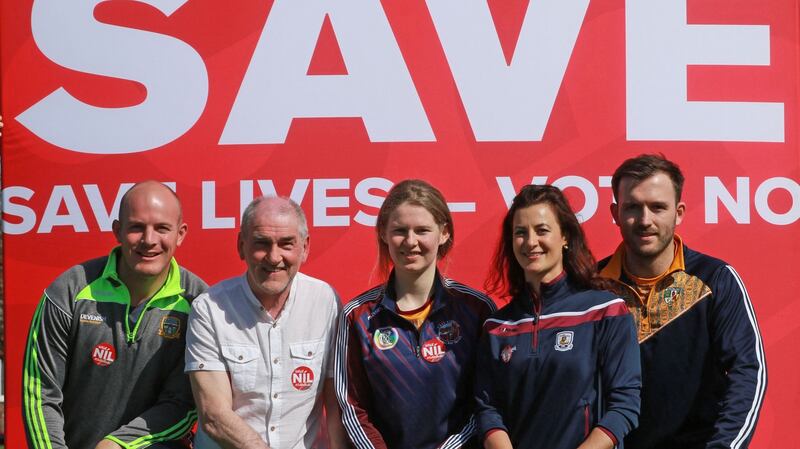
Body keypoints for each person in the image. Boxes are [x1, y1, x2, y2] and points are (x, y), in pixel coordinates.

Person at [23, 181, 207, 449]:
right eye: (136, 227)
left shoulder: (200, 304)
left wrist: (117, 443)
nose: (149, 240)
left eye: (162, 228)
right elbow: (40, 394)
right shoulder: (69, 291)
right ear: (117, 231)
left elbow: (185, 404)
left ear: (180, 234)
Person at [599, 154, 767, 449]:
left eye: (657, 207)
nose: (645, 220)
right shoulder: (592, 287)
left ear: (678, 213)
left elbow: (748, 371)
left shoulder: (715, 278)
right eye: (632, 207)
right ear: (615, 212)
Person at [476, 184, 641, 449]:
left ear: (565, 236)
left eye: (542, 230)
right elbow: (488, 408)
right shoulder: (497, 326)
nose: (531, 242)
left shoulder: (605, 310)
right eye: (520, 232)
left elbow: (625, 405)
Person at [335, 179, 496, 449]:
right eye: (400, 231)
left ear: (443, 233)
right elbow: (353, 406)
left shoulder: (476, 309)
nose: (410, 242)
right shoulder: (357, 315)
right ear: (383, 234)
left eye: (422, 230)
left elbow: (486, 400)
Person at [185, 196, 348, 449]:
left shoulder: (325, 301)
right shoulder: (209, 308)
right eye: (262, 243)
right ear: (241, 246)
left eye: (286, 244)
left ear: (305, 247)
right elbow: (214, 415)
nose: (273, 257)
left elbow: (335, 403)